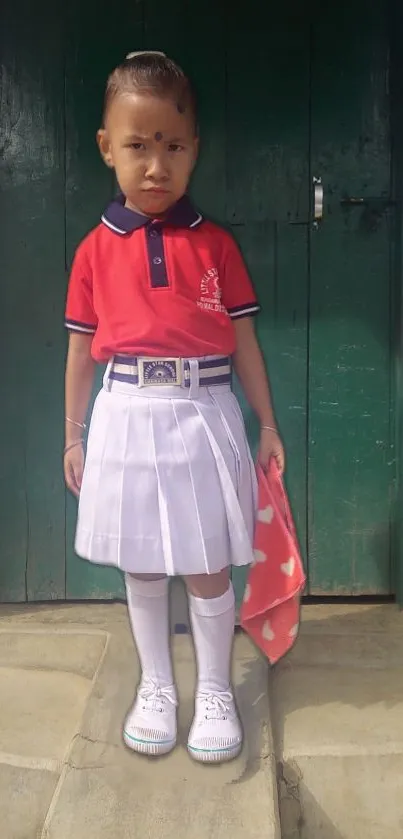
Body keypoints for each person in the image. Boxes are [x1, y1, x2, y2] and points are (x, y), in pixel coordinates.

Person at [63, 51, 285, 764]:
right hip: (125, 409)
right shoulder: (94, 250)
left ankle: (214, 687)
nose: (155, 165)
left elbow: (245, 343)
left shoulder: (215, 244)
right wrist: (74, 434)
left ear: (194, 151)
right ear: (106, 148)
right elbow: (78, 350)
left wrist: (268, 424)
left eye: (172, 146)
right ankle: (157, 685)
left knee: (205, 561)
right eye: (137, 145)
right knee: (142, 563)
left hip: (204, 408)